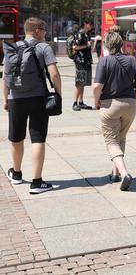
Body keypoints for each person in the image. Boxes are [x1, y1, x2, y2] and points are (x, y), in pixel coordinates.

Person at [3, 17, 62, 194]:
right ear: (36, 30)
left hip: (15, 99)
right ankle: (37, 182)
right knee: (37, 138)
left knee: (16, 137)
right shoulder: (43, 47)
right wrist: (59, 94)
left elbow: (5, 77)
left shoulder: (13, 48)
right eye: (43, 29)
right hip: (37, 99)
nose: (45, 32)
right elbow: (54, 74)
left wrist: (5, 99)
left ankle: (17, 173)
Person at [92, 31, 136, 191]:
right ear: (121, 44)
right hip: (129, 104)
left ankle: (123, 173)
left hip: (109, 105)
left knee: (111, 141)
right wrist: (135, 99)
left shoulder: (104, 61)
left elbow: (97, 86)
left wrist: (96, 101)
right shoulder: (131, 60)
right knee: (121, 138)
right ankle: (114, 173)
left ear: (107, 45)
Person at [72, 18, 94, 111]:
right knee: (80, 82)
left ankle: (80, 102)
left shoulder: (86, 34)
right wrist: (86, 45)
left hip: (86, 61)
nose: (92, 25)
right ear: (85, 23)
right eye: (90, 23)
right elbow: (75, 47)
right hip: (80, 61)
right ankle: (75, 103)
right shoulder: (80, 34)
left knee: (83, 82)